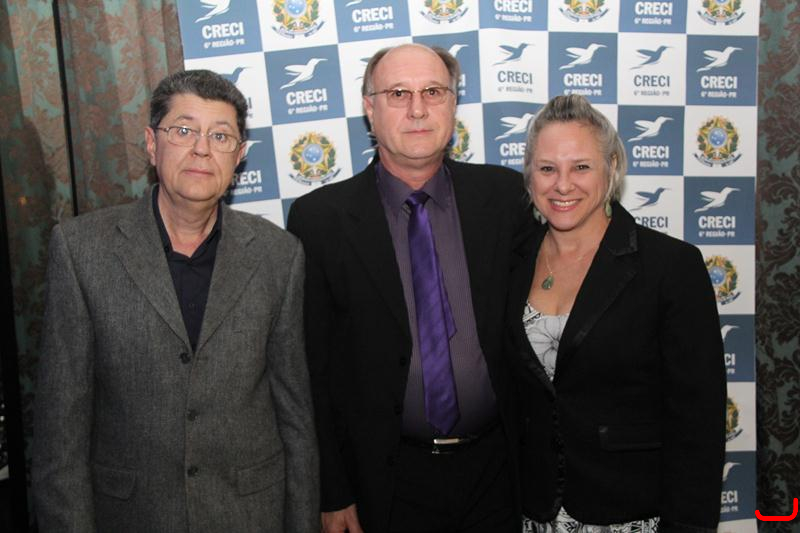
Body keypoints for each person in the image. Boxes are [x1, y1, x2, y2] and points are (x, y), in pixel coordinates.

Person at [32, 70, 318, 533]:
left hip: (248, 516)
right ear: (152, 144)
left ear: (239, 156)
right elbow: (59, 432)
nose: (202, 149)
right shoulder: (82, 250)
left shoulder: (278, 255)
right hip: (131, 516)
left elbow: (296, 418)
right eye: (184, 131)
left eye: (220, 136)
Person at [287, 44, 535, 533]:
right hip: (386, 483)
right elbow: (310, 370)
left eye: (434, 92)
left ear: (453, 104)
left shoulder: (505, 198)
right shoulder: (320, 220)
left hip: (499, 474)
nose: (418, 109)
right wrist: (332, 491)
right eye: (398, 93)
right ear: (369, 108)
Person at [507, 94, 726, 532]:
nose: (562, 185)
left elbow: (698, 424)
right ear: (529, 174)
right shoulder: (511, 260)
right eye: (547, 168)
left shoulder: (669, 266)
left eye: (581, 167)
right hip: (533, 514)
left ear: (611, 168)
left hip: (634, 514)